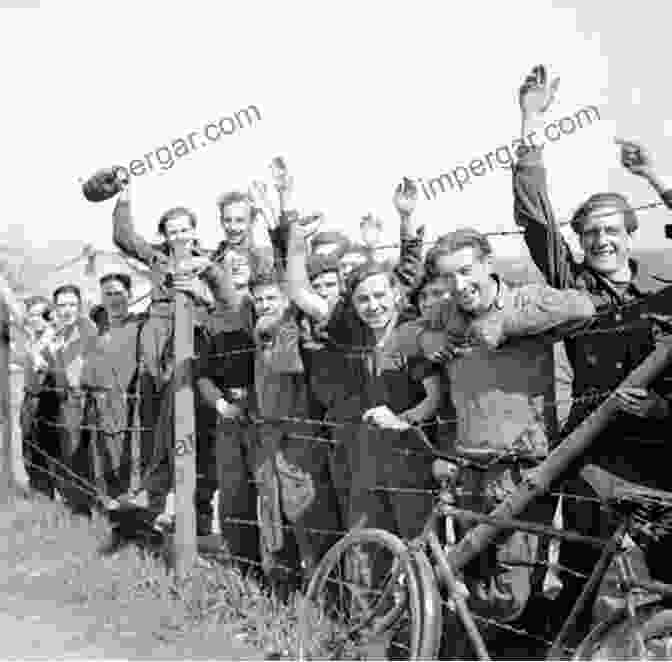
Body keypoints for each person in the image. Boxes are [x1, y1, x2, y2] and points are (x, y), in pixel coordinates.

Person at [514, 65, 672, 638]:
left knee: (664, 570)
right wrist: (531, 120)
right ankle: (567, 647)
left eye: (612, 230)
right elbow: (534, 219)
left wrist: (654, 176)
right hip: (590, 444)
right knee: (580, 563)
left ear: (632, 233)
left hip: (658, 445)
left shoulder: (660, 293)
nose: (602, 241)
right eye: (590, 234)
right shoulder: (572, 288)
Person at [408, 227, 595, 656]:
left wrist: (504, 323)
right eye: (449, 276)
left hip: (522, 471)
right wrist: (428, 340)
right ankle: (467, 641)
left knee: (512, 591)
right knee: (477, 572)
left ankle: (433, 607)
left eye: (467, 271)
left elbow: (583, 307)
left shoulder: (525, 299)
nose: (459, 285)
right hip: (469, 470)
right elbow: (405, 337)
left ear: (489, 263)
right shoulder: (445, 313)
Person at [112, 176, 228, 521]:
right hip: (160, 345)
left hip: (197, 345)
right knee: (158, 416)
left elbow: (224, 301)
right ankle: (155, 503)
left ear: (195, 232)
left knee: (199, 427)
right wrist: (124, 196)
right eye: (172, 231)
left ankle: (200, 516)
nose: (179, 236)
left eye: (184, 230)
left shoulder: (209, 262)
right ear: (164, 236)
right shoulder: (158, 258)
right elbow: (124, 237)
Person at [80, 273, 146, 500]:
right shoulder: (95, 333)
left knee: (129, 471)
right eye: (108, 293)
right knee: (100, 468)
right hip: (98, 410)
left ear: (130, 295)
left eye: (118, 292)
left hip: (128, 410)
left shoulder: (140, 326)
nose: (113, 298)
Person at [39, 284, 99, 514]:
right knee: (66, 456)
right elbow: (40, 364)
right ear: (55, 307)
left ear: (80, 306)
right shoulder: (56, 333)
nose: (67, 310)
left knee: (83, 456)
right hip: (63, 401)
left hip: (84, 399)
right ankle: (77, 508)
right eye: (62, 305)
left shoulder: (87, 329)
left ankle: (88, 507)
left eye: (72, 305)